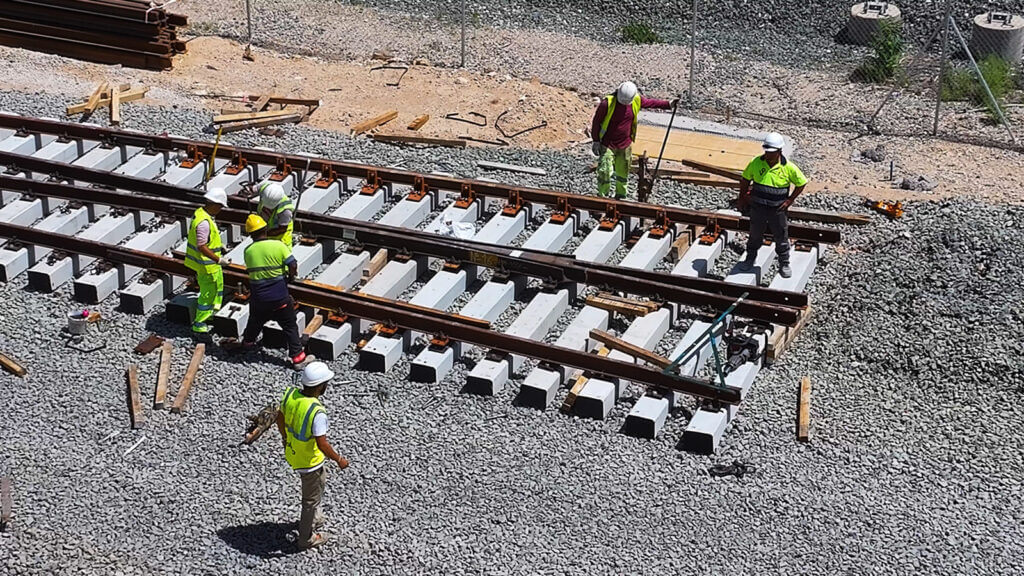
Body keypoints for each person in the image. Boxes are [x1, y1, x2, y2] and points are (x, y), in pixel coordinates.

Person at [276, 361, 349, 550]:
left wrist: (285, 438)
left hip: (293, 452)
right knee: (309, 500)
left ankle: (315, 518)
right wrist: (339, 460)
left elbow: (280, 416)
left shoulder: (291, 395)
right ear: (320, 386)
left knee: (319, 484)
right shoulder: (317, 412)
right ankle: (306, 538)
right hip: (309, 461)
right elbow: (322, 443)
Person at [735, 132, 808, 279]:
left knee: (781, 235)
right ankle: (750, 258)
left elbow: (801, 183)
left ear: (779, 151)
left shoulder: (789, 168)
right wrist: (742, 197)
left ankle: (784, 263)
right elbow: (745, 180)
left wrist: (789, 200)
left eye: (771, 152)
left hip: (777, 209)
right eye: (766, 151)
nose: (768, 155)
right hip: (758, 207)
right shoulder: (756, 163)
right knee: (755, 234)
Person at [240, 213, 307, 366]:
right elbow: (292, 264)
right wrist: (291, 276)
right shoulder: (278, 245)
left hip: (259, 300)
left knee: (255, 321)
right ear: (265, 229)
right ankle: (298, 358)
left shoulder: (248, 251)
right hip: (279, 298)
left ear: (250, 234)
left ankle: (247, 344)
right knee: (290, 326)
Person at [590, 81, 675, 199]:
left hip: (625, 145)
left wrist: (668, 104)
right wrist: (596, 141)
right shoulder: (607, 104)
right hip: (608, 144)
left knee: (622, 173)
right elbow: (596, 122)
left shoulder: (636, 100)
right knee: (604, 171)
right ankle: (602, 197)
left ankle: (621, 195)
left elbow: (651, 103)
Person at [184, 188, 228, 335]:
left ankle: (209, 315)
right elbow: (201, 246)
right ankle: (199, 323)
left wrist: (219, 246)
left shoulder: (202, 213)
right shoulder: (204, 222)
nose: (221, 209)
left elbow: (206, 240)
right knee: (208, 294)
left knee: (215, 289)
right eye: (220, 206)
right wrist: (218, 259)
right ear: (214, 204)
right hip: (207, 266)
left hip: (210, 266)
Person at [256, 181, 295, 247]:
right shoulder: (265, 189)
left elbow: (282, 229)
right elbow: (253, 189)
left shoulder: (285, 211)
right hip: (264, 234)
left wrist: (264, 234)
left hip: (280, 241)